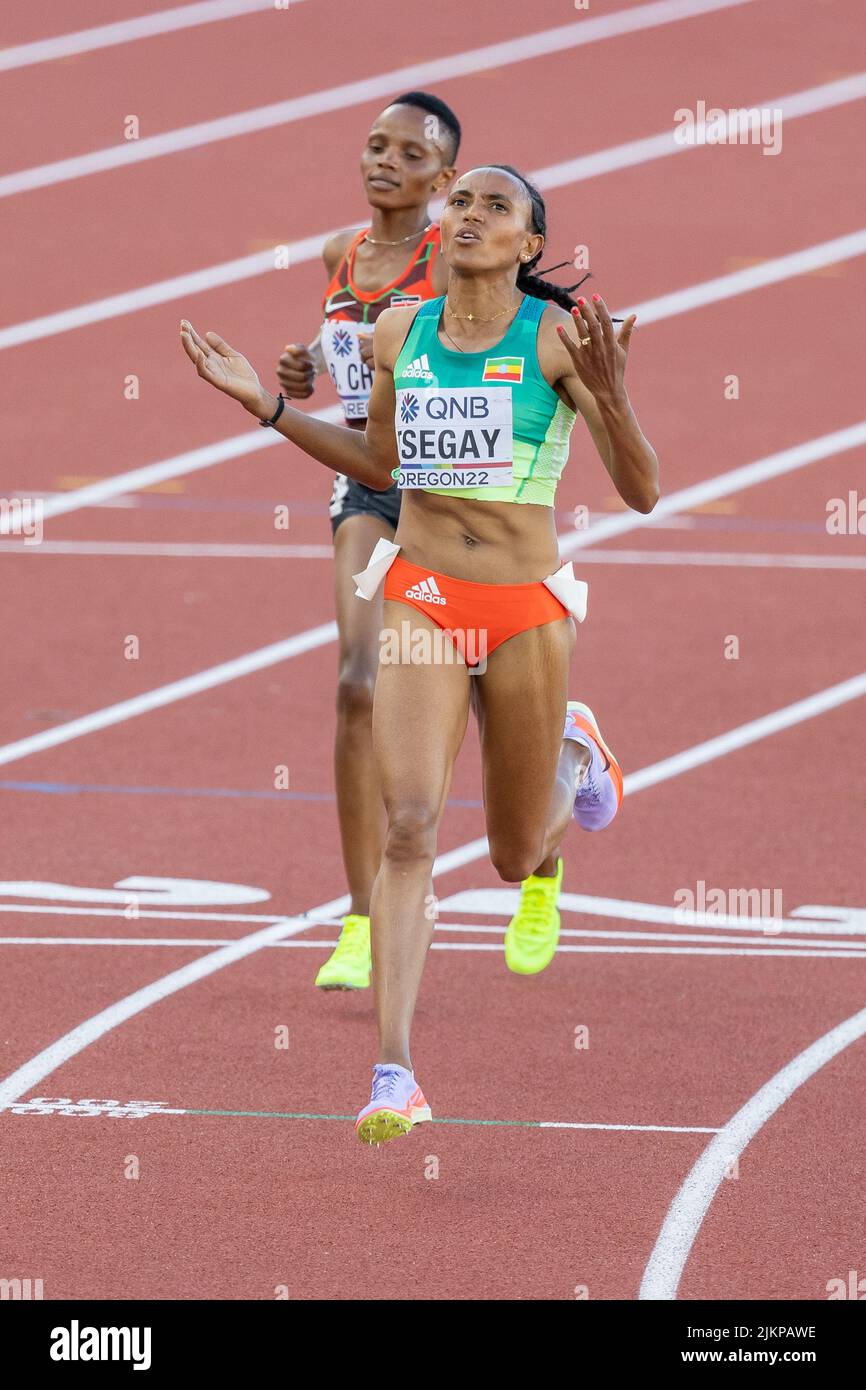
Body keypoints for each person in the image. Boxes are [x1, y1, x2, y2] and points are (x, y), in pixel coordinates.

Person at [180, 164, 659, 1145]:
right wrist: (265, 409)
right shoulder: (403, 331)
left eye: (497, 207)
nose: (471, 215)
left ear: (530, 246)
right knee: (409, 826)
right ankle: (393, 1071)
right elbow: (382, 468)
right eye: (465, 202)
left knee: (515, 851)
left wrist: (611, 402)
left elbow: (641, 491)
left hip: (523, 607)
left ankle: (574, 752)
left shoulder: (557, 339)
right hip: (423, 594)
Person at [275, 91, 458, 991]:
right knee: (356, 684)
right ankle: (358, 916)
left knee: (498, 706)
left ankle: (542, 855)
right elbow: (343, 349)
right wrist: (304, 366)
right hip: (369, 485)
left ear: (444, 179)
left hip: (456, 496)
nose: (385, 161)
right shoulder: (337, 253)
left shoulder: (456, 256)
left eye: (409, 154)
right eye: (376, 145)